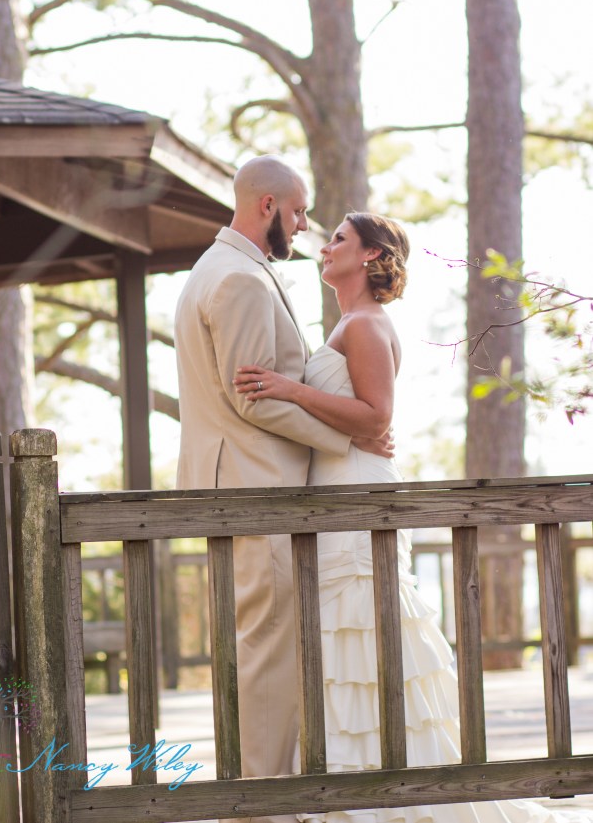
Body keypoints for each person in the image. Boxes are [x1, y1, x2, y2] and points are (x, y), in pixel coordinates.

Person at [234, 211, 593, 823]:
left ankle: (377, 791)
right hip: (341, 484)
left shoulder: (368, 324)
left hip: (357, 492)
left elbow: (375, 418)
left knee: (362, 626)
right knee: (351, 635)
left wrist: (289, 389)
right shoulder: (350, 323)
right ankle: (355, 783)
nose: (325, 247)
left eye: (340, 240)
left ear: (372, 256)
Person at [174, 159, 391, 823]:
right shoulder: (238, 277)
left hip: (238, 483)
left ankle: (254, 792)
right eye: (297, 212)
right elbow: (252, 401)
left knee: (257, 648)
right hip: (253, 484)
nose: (303, 226)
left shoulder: (219, 268)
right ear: (267, 204)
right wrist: (343, 442)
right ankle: (260, 806)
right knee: (267, 653)